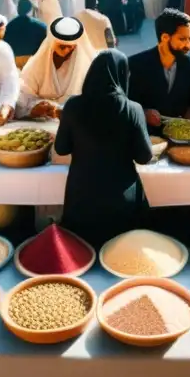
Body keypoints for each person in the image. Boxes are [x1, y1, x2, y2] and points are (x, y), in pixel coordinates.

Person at [55, 50, 153, 247]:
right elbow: (144, 156)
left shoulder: (73, 106)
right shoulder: (132, 109)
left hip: (81, 199)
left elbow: (61, 148)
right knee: (118, 255)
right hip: (121, 202)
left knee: (81, 252)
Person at [128, 9, 190, 134]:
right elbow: (122, 102)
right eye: (182, 39)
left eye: (189, 39)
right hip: (144, 134)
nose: (188, 46)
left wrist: (187, 119)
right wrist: (144, 113)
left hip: (180, 136)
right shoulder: (135, 65)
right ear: (165, 37)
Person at [18, 16, 96, 118]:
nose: (66, 51)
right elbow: (23, 96)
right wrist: (35, 107)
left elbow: (92, 100)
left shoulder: (87, 66)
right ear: (52, 43)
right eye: (62, 46)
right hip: (42, 122)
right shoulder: (36, 65)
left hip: (74, 120)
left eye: (70, 47)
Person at [4, 0, 48, 69]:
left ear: (18, 9)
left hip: (14, 61)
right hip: (34, 61)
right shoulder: (41, 26)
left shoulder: (9, 26)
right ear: (31, 10)